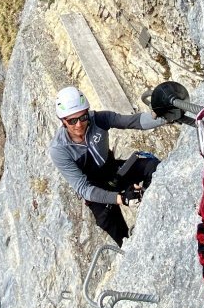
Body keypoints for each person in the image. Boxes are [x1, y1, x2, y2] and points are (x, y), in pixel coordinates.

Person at [48, 86, 165, 246]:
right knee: (112, 225)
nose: (79, 125)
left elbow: (133, 121)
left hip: (113, 171)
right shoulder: (59, 150)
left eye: (82, 117)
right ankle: (132, 248)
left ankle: (149, 206)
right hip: (94, 188)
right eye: (72, 121)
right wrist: (121, 198)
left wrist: (165, 118)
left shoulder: (98, 119)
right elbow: (84, 189)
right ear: (63, 121)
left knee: (151, 166)